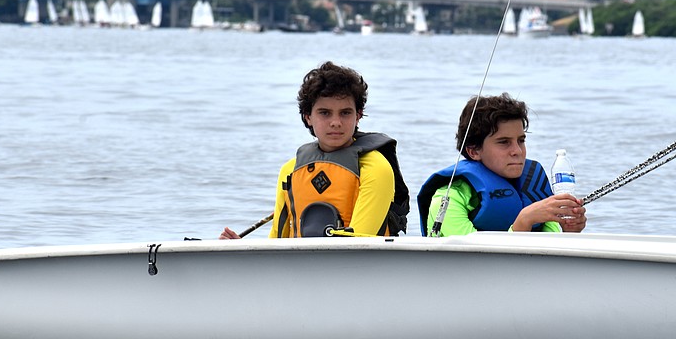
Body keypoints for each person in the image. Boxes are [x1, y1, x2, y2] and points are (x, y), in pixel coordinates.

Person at [220, 61, 409, 239]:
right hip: (301, 267)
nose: (336, 122)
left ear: (358, 116)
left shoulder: (376, 168)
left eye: (345, 113)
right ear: (308, 116)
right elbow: (276, 242)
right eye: (324, 113)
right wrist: (240, 249)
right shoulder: (290, 171)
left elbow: (360, 241)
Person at [417, 93, 586, 237]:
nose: (517, 151)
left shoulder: (534, 191)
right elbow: (473, 256)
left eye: (521, 141)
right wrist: (524, 222)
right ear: (474, 151)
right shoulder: (449, 198)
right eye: (504, 142)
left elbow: (550, 250)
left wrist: (568, 232)